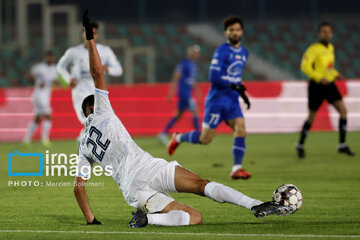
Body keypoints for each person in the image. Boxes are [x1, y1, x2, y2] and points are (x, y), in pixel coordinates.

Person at [74, 10, 293, 228]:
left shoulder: (83, 144)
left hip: (132, 188)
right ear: (93, 106)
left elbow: (78, 187)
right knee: (201, 185)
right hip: (148, 167)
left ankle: (148, 218)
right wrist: (91, 38)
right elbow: (98, 73)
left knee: (194, 217)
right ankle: (254, 205)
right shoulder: (102, 109)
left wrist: (91, 220)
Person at [167, 15, 252, 180]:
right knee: (205, 139)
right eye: (231, 30)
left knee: (241, 130)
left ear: (242, 31)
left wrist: (242, 93)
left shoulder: (244, 53)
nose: (235, 32)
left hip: (232, 100)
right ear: (226, 33)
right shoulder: (221, 51)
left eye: (238, 29)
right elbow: (214, 76)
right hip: (217, 101)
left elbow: (236, 77)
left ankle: (236, 168)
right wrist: (233, 85)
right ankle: (178, 137)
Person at [296, 22, 355, 158]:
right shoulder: (313, 49)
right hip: (317, 86)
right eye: (323, 31)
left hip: (330, 84)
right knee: (311, 117)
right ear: (319, 34)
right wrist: (319, 78)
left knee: (343, 111)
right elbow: (305, 67)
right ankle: (300, 144)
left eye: (328, 32)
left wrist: (336, 73)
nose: (326, 34)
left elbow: (328, 67)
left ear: (331, 34)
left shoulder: (330, 48)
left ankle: (342, 144)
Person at [56, 19, 122, 140]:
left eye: (94, 33)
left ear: (97, 35)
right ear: (83, 34)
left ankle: (82, 142)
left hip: (97, 90)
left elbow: (118, 70)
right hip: (79, 91)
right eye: (88, 32)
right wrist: (68, 79)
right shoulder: (73, 52)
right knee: (89, 121)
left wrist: (107, 68)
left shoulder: (105, 51)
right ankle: (85, 146)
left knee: (99, 123)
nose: (91, 35)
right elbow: (60, 66)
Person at [157, 45, 202, 146]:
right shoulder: (184, 64)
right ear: (191, 53)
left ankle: (163, 133)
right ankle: (198, 136)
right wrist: (171, 92)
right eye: (195, 52)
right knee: (195, 111)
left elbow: (192, 80)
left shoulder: (194, 65)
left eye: (197, 53)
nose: (197, 54)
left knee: (178, 115)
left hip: (188, 93)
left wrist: (197, 91)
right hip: (184, 93)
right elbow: (176, 76)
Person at [23, 51, 58, 146]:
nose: (50, 59)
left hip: (46, 95)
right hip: (39, 95)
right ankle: (45, 139)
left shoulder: (55, 68)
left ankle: (26, 139)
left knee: (37, 118)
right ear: (45, 57)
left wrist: (58, 83)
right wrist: (38, 82)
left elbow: (53, 80)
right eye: (48, 57)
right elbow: (28, 75)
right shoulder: (39, 67)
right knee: (48, 116)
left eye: (52, 57)